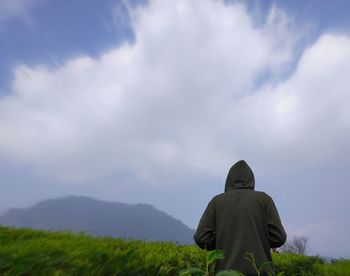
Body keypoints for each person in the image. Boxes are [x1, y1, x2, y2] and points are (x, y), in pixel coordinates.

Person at [194, 160, 286, 275]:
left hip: (226, 273)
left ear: (229, 180)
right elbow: (279, 237)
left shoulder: (217, 202)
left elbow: (201, 237)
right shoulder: (264, 200)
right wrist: (260, 239)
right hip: (261, 272)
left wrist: (223, 243)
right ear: (251, 179)